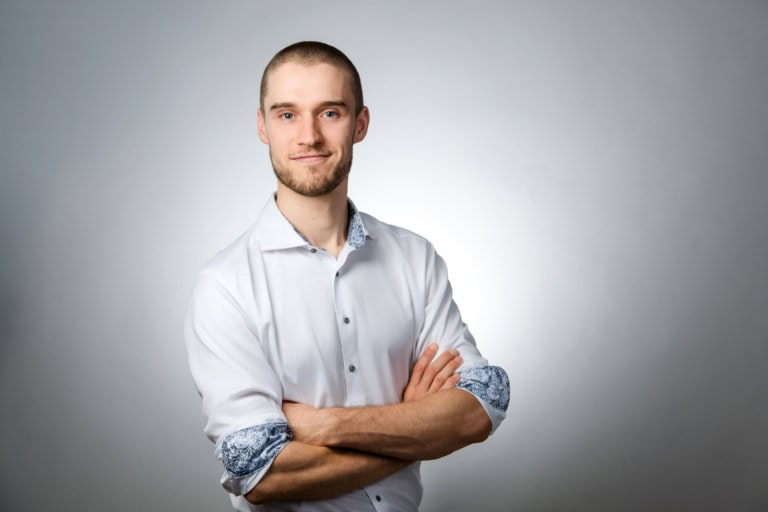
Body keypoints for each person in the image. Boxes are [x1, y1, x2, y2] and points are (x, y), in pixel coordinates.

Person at [185, 41, 510, 512]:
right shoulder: (226, 287)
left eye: (330, 113)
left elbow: (481, 408)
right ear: (262, 127)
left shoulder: (414, 258)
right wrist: (413, 427)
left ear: (360, 124)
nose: (309, 137)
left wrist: (326, 425)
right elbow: (261, 474)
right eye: (287, 115)